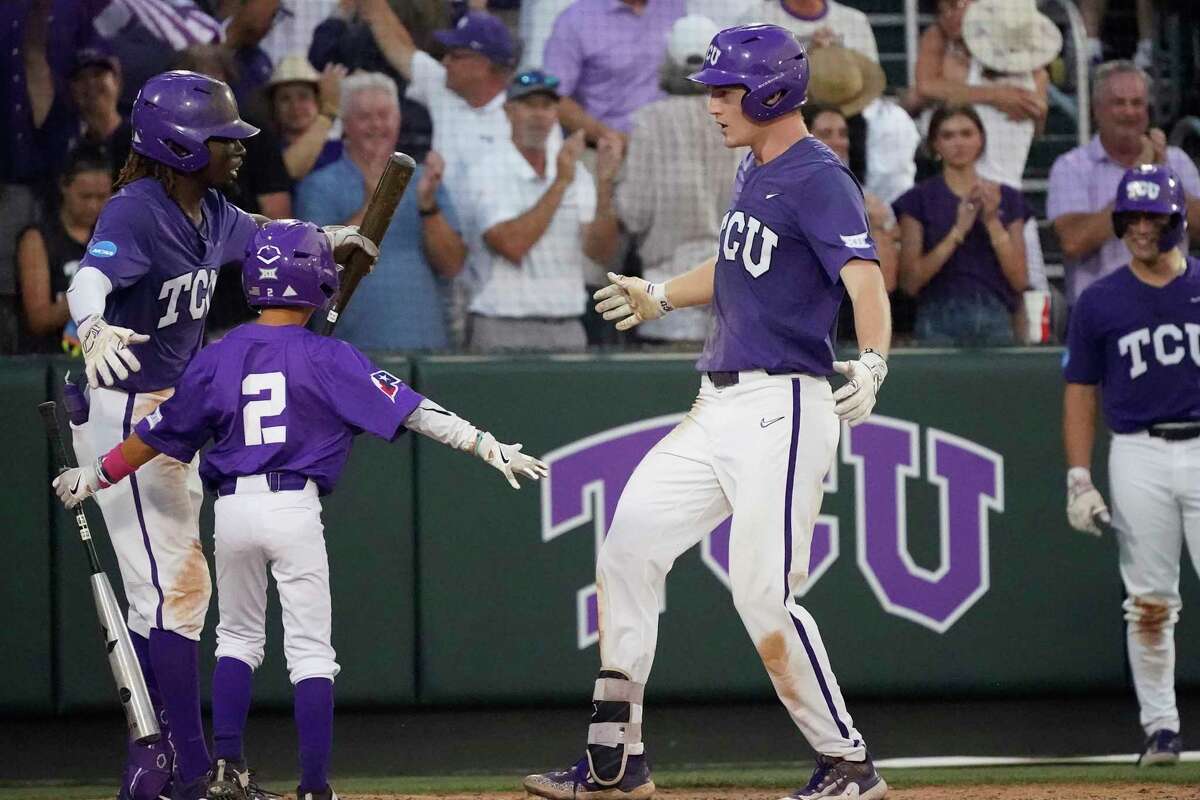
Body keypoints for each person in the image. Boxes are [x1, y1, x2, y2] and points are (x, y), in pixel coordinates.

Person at [52, 219, 548, 800]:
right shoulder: (330, 357)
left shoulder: (217, 355)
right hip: (294, 507)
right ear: (316, 283)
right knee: (310, 653)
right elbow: (414, 411)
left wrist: (95, 474)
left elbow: (154, 434)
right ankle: (314, 787)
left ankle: (225, 767)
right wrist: (485, 444)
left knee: (236, 640)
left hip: (233, 510)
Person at [524, 24, 890, 800]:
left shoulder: (819, 175)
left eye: (726, 91)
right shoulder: (757, 168)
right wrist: (659, 293)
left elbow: (865, 280)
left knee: (763, 593)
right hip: (717, 401)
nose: (714, 104)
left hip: (784, 401)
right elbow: (736, 264)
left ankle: (849, 763)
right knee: (626, 550)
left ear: (770, 93)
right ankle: (615, 761)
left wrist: (876, 359)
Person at [63, 69, 376, 800]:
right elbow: (89, 279)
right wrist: (93, 324)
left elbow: (264, 236)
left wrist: (331, 237)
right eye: (221, 140)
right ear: (176, 145)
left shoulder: (211, 210)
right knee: (174, 591)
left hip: (168, 402)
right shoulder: (137, 209)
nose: (237, 150)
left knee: (171, 593)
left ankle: (161, 761)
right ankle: (186, 768)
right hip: (123, 405)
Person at [1062, 164, 1199, 768]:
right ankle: (1160, 728)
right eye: (1132, 218)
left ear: (1177, 220)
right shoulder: (1099, 301)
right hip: (1137, 449)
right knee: (1148, 600)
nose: (1142, 228)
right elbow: (1079, 390)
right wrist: (1079, 477)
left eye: (1154, 217)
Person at [296, 71, 466, 350]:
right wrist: (375, 201)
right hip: (349, 350)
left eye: (384, 115)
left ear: (398, 121)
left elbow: (452, 265)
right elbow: (313, 264)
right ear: (346, 125)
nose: (376, 125)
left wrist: (428, 207)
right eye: (364, 117)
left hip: (425, 344)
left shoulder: (424, 180)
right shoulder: (319, 185)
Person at [463, 70, 622, 352]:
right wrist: (560, 183)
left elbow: (600, 252)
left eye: (547, 106)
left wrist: (605, 184)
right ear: (508, 111)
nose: (539, 115)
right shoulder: (486, 169)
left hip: (567, 327)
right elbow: (511, 245)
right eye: (528, 105)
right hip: (501, 327)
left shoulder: (577, 172)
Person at [615, 14, 742, 346]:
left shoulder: (646, 122)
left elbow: (633, 213)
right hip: (734, 297)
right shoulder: (742, 121)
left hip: (666, 299)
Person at [1047, 60, 1200, 306]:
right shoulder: (1072, 166)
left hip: (1172, 306)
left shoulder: (1176, 161)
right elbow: (1073, 241)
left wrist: (1162, 182)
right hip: (1102, 309)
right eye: (1119, 103)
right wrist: (1138, 182)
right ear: (1097, 110)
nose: (1129, 112)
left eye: (1137, 103)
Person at [893, 104, 1029, 346]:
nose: (958, 143)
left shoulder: (1008, 198)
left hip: (996, 315)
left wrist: (991, 221)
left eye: (966, 133)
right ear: (935, 144)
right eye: (948, 135)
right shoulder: (917, 200)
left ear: (981, 140)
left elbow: (1020, 280)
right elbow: (910, 283)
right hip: (936, 316)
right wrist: (958, 231)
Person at [543, 0, 687, 140]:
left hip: (672, 142)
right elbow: (555, 97)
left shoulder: (675, 6)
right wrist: (612, 139)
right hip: (603, 149)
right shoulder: (576, 19)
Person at [16, 145, 112, 354]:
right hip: (51, 359)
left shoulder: (114, 237)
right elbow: (38, 319)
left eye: (101, 197)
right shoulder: (38, 239)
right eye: (85, 197)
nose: (93, 206)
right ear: (64, 187)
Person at [266, 55, 346, 181]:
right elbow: (287, 171)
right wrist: (328, 113)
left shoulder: (339, 151)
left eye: (303, 96)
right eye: (285, 99)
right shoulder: (266, 151)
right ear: (273, 106)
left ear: (318, 102)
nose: (295, 106)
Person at [65, 46, 134, 177]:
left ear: (116, 82)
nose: (91, 83)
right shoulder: (69, 150)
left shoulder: (143, 140)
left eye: (98, 74)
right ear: (71, 90)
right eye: (81, 78)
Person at [738, 0, 878, 62]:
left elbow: (870, 78)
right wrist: (807, 56)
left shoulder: (854, 20)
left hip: (843, 114)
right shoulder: (756, 17)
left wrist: (835, 55)